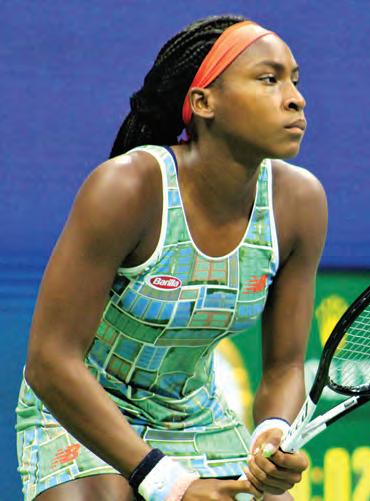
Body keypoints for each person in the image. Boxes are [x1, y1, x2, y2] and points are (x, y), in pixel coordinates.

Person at [16, 14, 327, 501]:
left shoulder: (300, 203)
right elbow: (50, 362)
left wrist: (272, 433)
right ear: (204, 103)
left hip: (192, 414)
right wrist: (171, 484)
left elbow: (285, 367)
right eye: (269, 79)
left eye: (295, 80)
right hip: (82, 406)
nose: (295, 98)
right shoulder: (127, 188)